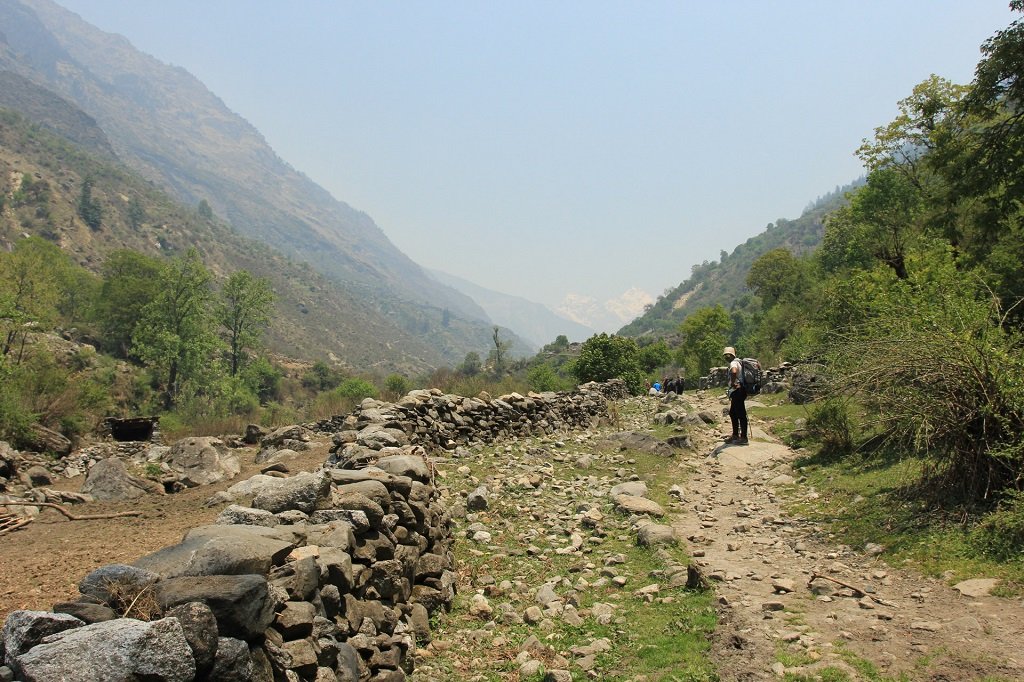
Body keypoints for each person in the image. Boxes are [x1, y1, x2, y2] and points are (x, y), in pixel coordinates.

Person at [723, 346, 748, 445]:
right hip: (739, 390)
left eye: (727, 355)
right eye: (725, 355)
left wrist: (733, 383)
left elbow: (734, 371)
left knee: (741, 414)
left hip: (737, 390)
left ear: (731, 355)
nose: (726, 357)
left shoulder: (733, 363)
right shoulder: (739, 361)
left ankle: (743, 437)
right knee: (733, 413)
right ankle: (735, 435)